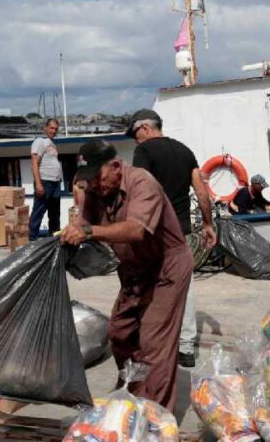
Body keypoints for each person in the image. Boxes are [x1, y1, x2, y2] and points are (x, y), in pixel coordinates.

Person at [61, 139, 192, 412]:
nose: (94, 185)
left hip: (166, 267)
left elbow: (136, 231)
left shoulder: (143, 184)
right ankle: (137, 389)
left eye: (98, 177)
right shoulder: (94, 190)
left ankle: (156, 419)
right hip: (134, 270)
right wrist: (68, 236)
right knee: (120, 333)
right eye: (88, 180)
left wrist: (88, 232)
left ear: (116, 166)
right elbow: (84, 221)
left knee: (154, 342)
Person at [126, 108, 216, 368]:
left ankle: (155, 343)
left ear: (145, 128)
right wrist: (208, 224)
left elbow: (141, 189)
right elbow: (201, 191)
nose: (135, 140)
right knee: (184, 285)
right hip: (183, 231)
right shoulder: (185, 151)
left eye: (135, 134)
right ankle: (186, 347)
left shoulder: (144, 152)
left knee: (150, 284)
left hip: (156, 231)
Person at [29, 118, 62, 240]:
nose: (53, 131)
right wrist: (38, 184)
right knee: (38, 212)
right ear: (45, 128)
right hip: (45, 182)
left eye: (56, 129)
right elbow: (34, 162)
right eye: (51, 128)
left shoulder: (52, 144)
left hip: (55, 184)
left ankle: (54, 241)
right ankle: (31, 241)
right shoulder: (40, 142)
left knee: (55, 215)